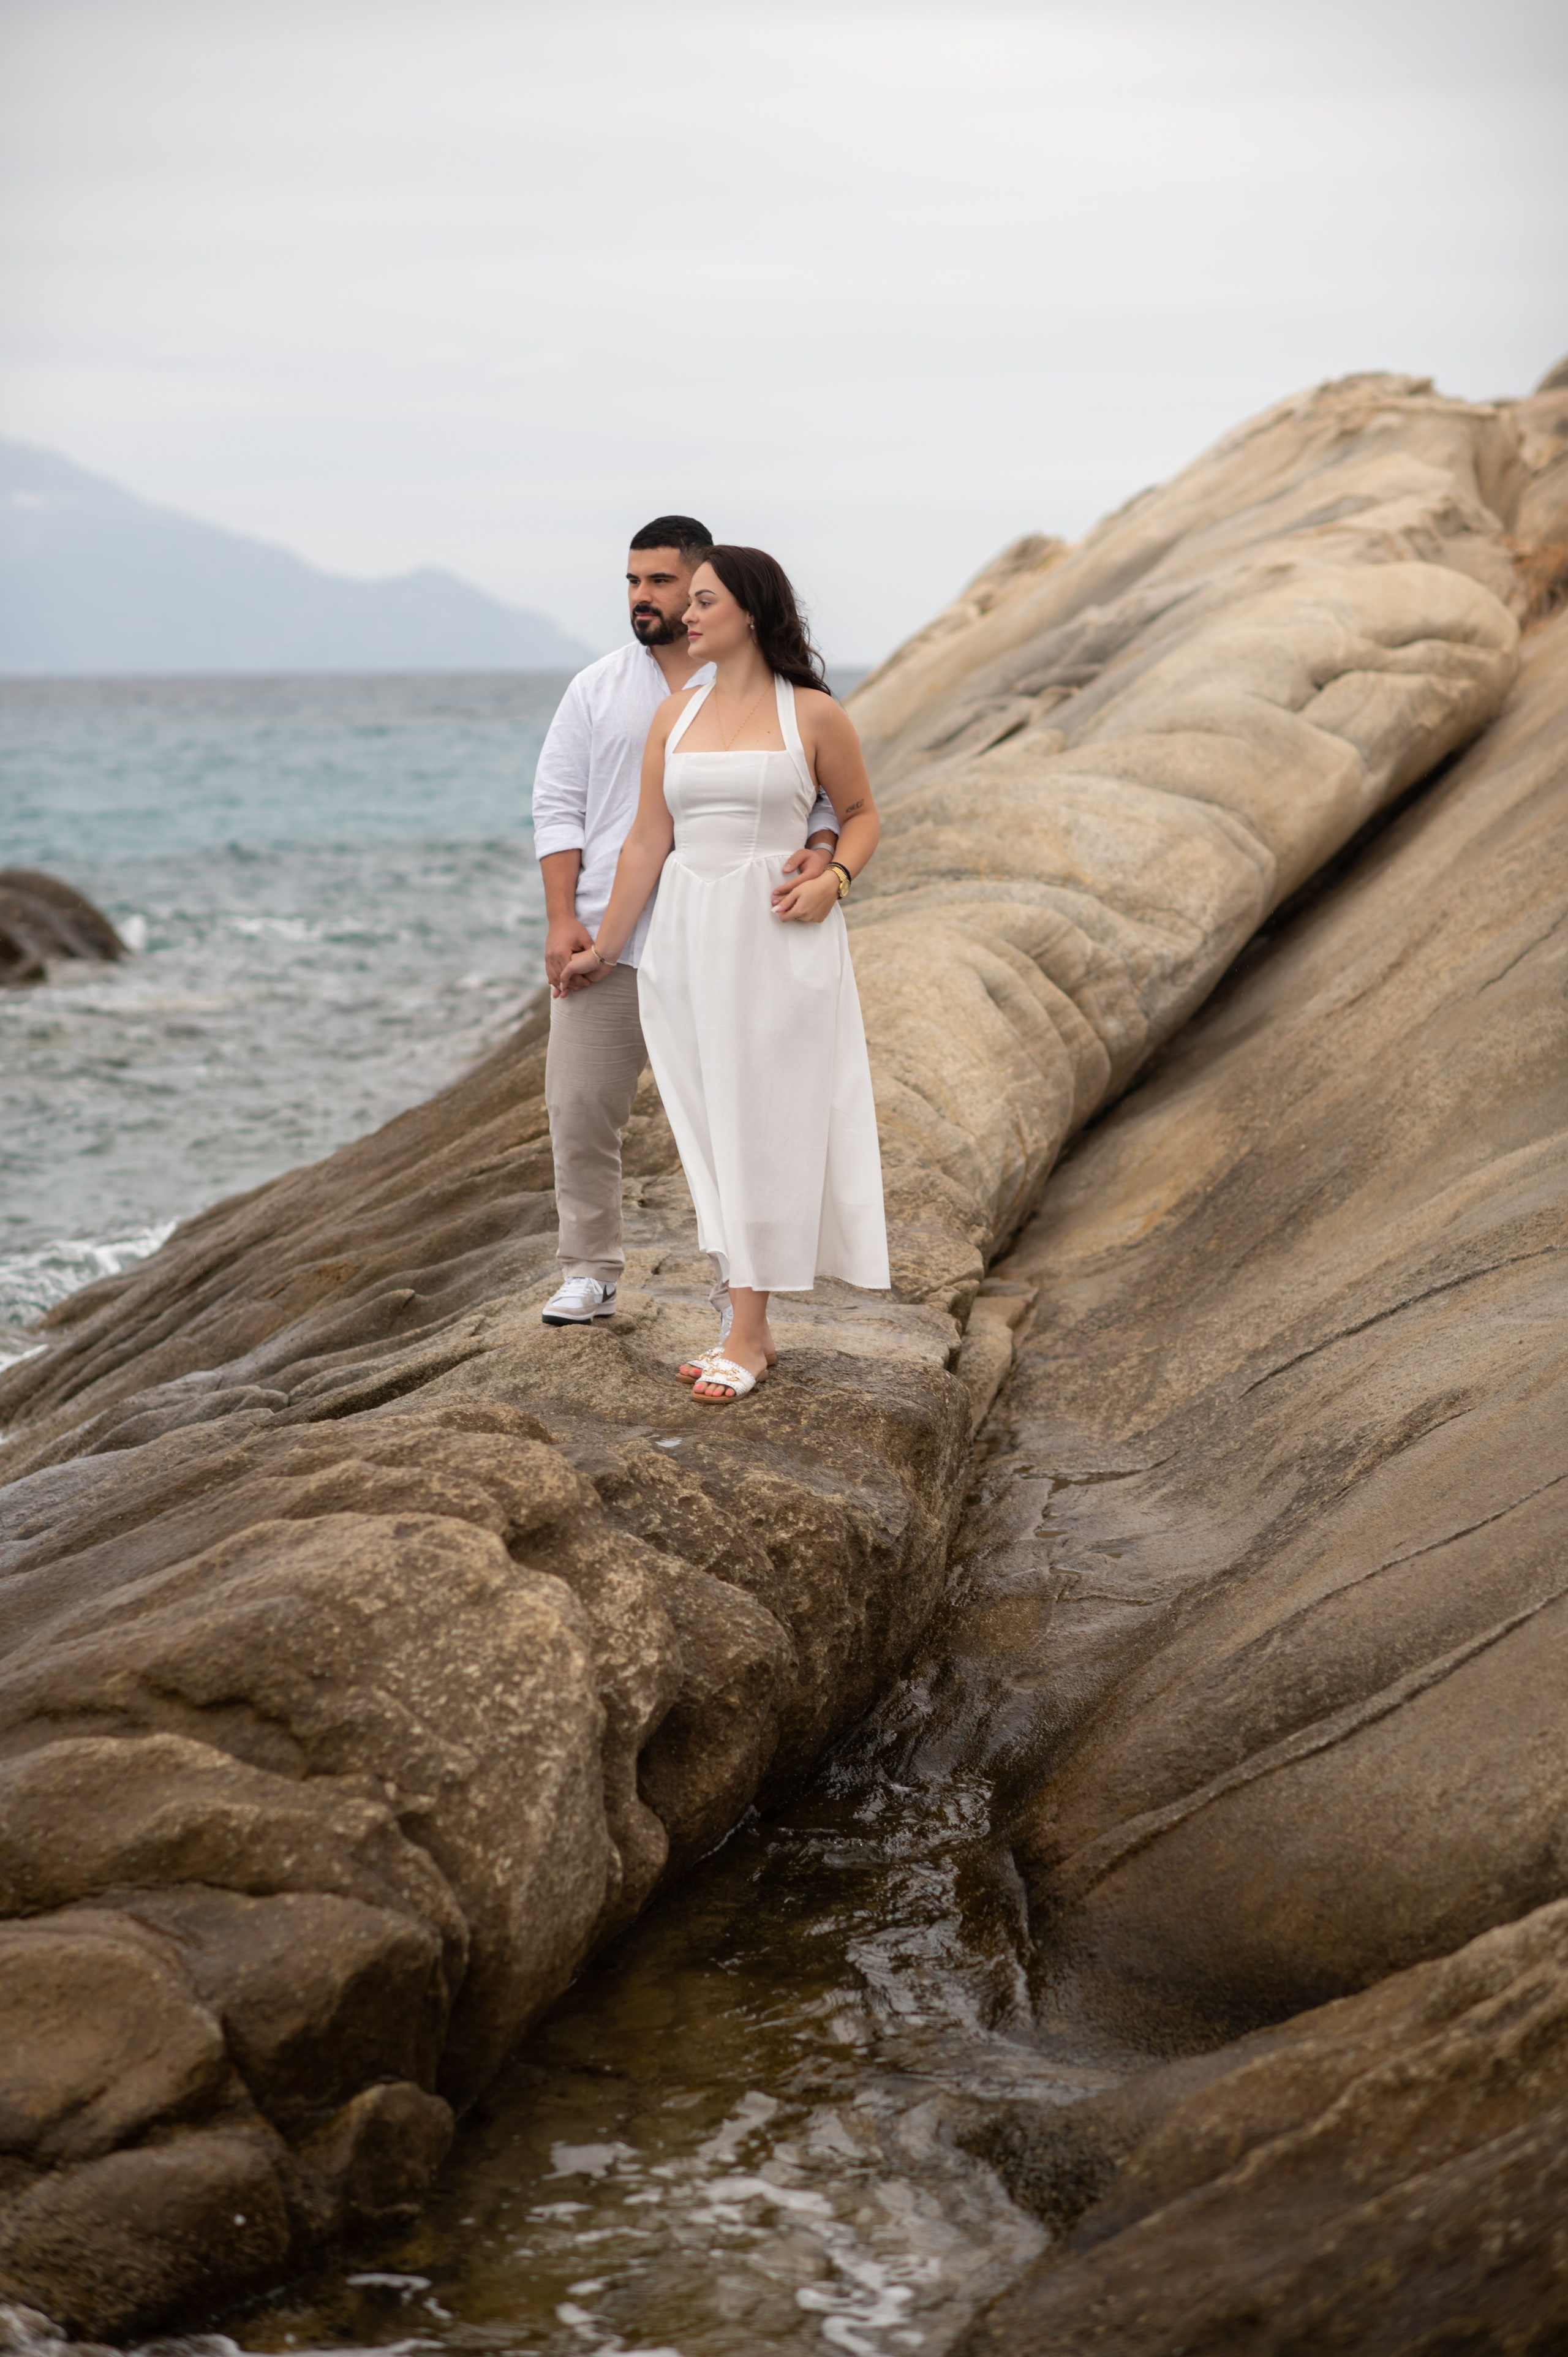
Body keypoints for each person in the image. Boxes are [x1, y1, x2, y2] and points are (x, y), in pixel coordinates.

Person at [556, 545, 890, 1401]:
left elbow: (860, 815)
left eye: (704, 601)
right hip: (686, 939)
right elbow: (646, 842)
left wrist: (834, 879)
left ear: (750, 611)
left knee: (763, 1124)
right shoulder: (676, 715)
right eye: (689, 600)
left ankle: (747, 1335)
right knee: (708, 1129)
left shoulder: (814, 714)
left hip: (777, 939)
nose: (687, 614)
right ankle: (750, 1330)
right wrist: (605, 948)